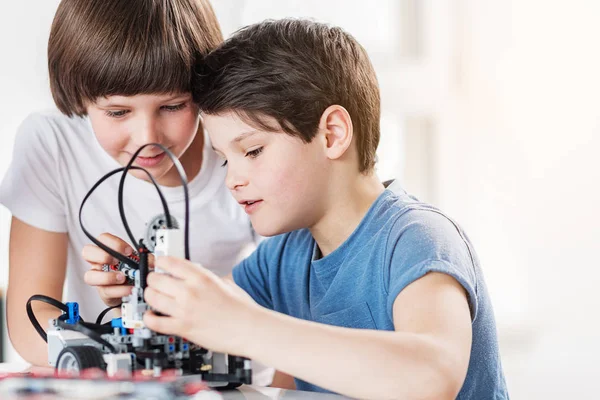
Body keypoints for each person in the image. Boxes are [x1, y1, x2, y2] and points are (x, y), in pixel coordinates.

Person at [141, 19, 510, 399]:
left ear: (332, 134)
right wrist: (144, 285)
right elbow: (207, 310)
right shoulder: (284, 256)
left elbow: (432, 377)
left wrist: (247, 327)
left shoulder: (417, 238)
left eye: (252, 151)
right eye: (224, 160)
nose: (232, 180)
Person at [0, 0, 262, 378]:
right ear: (79, 98)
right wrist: (120, 352)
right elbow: (31, 322)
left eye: (173, 106)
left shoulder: (244, 147)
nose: (147, 139)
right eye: (118, 112)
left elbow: (286, 293)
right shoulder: (51, 142)